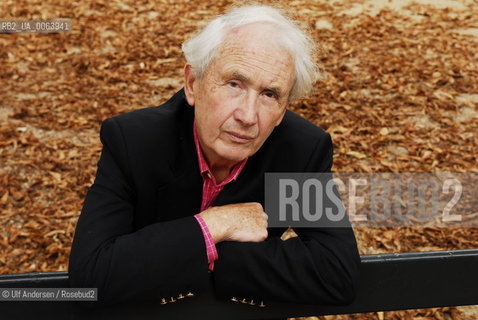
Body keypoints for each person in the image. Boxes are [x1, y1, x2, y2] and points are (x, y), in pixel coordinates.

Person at [69, 4, 360, 317]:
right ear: (193, 84)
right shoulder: (135, 142)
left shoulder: (298, 151)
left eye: (270, 95)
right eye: (234, 84)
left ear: (284, 109)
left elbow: (336, 274)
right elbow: (91, 277)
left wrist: (198, 251)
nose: (248, 116)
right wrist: (215, 225)